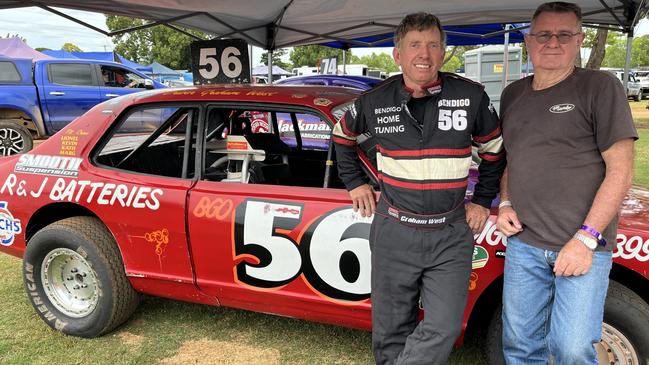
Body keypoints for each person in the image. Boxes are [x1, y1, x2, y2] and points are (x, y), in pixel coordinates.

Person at [332, 12, 506, 365]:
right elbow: (341, 136)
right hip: (394, 230)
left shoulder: (471, 95)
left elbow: (495, 152)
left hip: (450, 232)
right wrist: (354, 184)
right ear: (398, 54)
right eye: (415, 45)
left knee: (443, 327)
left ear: (443, 52)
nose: (424, 54)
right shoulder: (374, 100)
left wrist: (482, 202)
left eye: (433, 45)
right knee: (391, 331)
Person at [497, 2, 638, 364]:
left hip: (583, 246)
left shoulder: (600, 87)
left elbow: (621, 170)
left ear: (579, 40)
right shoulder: (513, 95)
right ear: (529, 41)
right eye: (543, 34)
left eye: (564, 35)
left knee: (572, 348)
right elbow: (512, 159)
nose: (553, 42)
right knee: (520, 346)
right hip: (524, 244)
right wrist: (507, 202)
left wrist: (585, 238)